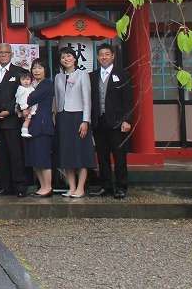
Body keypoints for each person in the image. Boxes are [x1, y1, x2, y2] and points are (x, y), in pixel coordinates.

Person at [89, 44, 133, 199]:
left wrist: (127, 120)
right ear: (97, 57)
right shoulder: (92, 76)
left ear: (113, 56)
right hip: (98, 121)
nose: (104, 57)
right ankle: (105, 186)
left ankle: (121, 186)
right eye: (101, 54)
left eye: (107, 54)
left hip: (116, 122)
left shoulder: (122, 74)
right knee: (102, 156)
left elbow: (128, 100)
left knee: (119, 155)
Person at [53, 45, 95, 198]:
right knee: (67, 154)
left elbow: (87, 100)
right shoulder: (58, 77)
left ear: (75, 58)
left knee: (81, 153)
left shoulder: (82, 74)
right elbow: (56, 100)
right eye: (63, 57)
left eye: (69, 56)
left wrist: (86, 121)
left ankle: (81, 187)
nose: (66, 59)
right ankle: (71, 187)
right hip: (63, 117)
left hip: (78, 117)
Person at [0, 43, 29, 197]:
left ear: (11, 54)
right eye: (0, 52)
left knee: (16, 154)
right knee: (2, 155)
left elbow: (22, 94)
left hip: (12, 120)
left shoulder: (20, 72)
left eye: (6, 52)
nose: (3, 55)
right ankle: (6, 186)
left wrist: (9, 110)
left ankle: (20, 186)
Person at [24, 59, 56, 196]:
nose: (36, 71)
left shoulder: (47, 83)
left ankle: (48, 187)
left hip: (43, 124)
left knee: (43, 158)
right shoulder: (33, 84)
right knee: (35, 158)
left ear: (45, 70)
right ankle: (42, 186)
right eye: (34, 68)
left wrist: (26, 98)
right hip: (32, 125)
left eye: (40, 68)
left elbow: (30, 99)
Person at [17, 71, 36, 138]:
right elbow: (20, 100)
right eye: (23, 79)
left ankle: (26, 131)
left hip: (31, 107)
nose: (26, 81)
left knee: (29, 120)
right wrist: (24, 108)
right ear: (20, 81)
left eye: (27, 79)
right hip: (25, 107)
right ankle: (24, 132)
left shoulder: (31, 88)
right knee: (27, 120)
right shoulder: (21, 89)